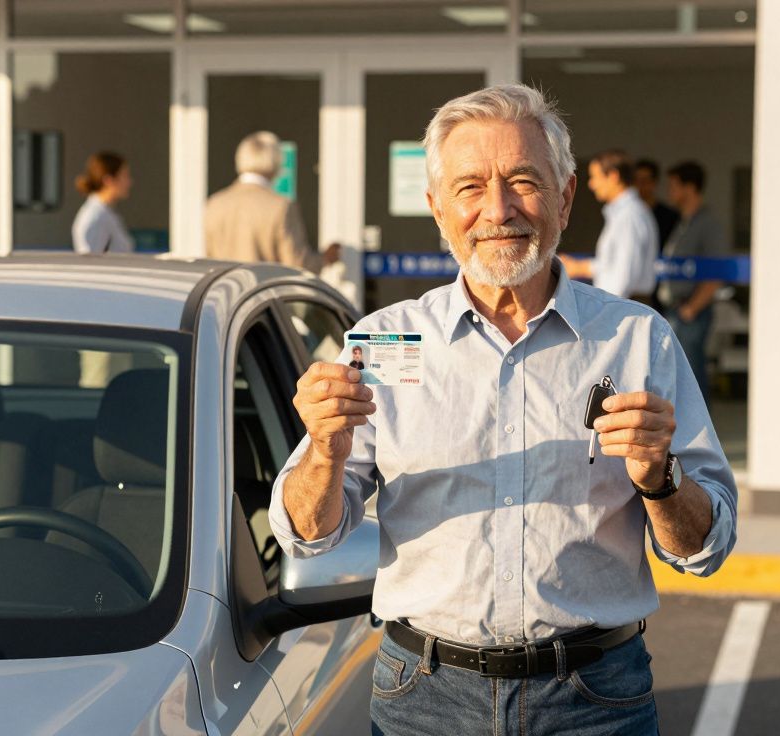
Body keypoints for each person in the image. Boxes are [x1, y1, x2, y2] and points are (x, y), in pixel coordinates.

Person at [269, 85, 736, 735]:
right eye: (470, 187)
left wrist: (661, 479)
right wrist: (324, 450)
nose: (498, 209)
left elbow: (704, 549)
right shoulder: (387, 342)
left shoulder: (636, 340)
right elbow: (306, 534)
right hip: (423, 701)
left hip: (595, 702)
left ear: (565, 198)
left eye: (523, 181)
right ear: (437, 208)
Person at [204, 131, 339, 272]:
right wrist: (325, 258)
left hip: (227, 286)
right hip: (264, 285)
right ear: (276, 161)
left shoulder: (215, 203)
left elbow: (210, 261)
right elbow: (298, 264)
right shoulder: (281, 206)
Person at [659, 161, 729, 401]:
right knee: (677, 377)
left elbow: (716, 271)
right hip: (677, 309)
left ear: (689, 188)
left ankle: (699, 425)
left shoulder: (708, 224)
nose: (669, 191)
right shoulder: (684, 223)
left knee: (691, 379)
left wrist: (691, 309)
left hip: (690, 312)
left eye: (674, 186)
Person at [560, 150, 659, 303]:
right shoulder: (625, 213)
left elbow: (623, 273)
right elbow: (613, 265)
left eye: (595, 177)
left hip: (625, 305)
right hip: (624, 303)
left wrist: (606, 308)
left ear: (613, 176)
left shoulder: (629, 215)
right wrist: (582, 267)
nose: (591, 184)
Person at [71, 151, 135, 254]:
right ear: (108, 180)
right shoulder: (95, 216)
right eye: (124, 176)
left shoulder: (105, 213)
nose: (129, 182)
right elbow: (90, 258)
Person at [634, 159, 680, 250]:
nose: (639, 186)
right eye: (636, 180)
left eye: (644, 181)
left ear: (654, 183)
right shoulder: (627, 215)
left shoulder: (670, 217)